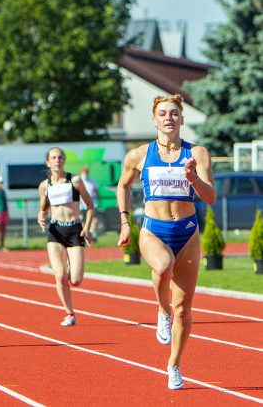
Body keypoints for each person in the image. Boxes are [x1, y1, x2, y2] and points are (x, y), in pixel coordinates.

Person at [116, 94, 216, 389]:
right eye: (163, 114)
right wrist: (124, 221)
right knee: (162, 267)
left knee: (184, 308)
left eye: (174, 113)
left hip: (187, 232)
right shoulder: (138, 155)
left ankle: (174, 365)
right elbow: (122, 185)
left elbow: (210, 197)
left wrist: (193, 179)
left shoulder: (197, 153)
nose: (169, 118)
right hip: (153, 230)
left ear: (182, 119)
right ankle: (161, 310)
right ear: (154, 120)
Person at [38, 147, 94, 326]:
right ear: (48, 162)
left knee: (76, 280)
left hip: (74, 229)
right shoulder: (45, 185)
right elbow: (43, 207)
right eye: (53, 158)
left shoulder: (74, 181)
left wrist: (86, 228)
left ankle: (71, 265)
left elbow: (91, 206)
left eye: (60, 157)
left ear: (64, 160)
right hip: (55, 231)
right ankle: (69, 313)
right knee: (59, 275)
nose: (57, 160)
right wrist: (41, 216)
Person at [79, 167, 100, 236]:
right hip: (82, 206)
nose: (84, 174)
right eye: (83, 172)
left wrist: (99, 201)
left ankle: (94, 234)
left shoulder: (92, 181)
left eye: (86, 172)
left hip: (93, 204)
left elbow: (97, 192)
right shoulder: (79, 181)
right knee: (83, 220)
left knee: (94, 219)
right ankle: (84, 234)